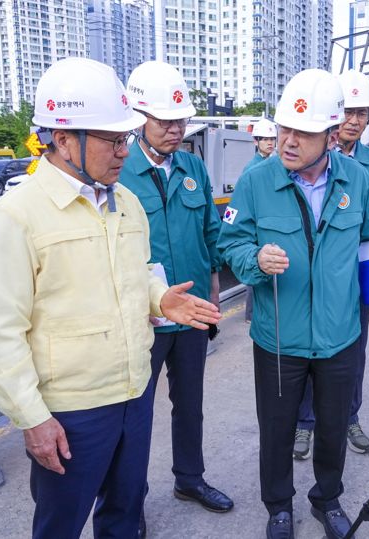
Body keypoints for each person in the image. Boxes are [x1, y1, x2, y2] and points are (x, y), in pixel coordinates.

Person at [0, 57, 221, 539]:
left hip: (132, 393)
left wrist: (159, 298)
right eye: (111, 140)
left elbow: (140, 271)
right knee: (60, 524)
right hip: (68, 412)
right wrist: (32, 419)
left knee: (125, 516)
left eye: (125, 138)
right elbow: (2, 334)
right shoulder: (15, 217)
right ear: (62, 138)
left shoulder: (124, 202)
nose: (123, 152)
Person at [217, 69, 369, 539]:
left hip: (341, 334)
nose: (289, 140)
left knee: (332, 427)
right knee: (278, 430)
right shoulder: (257, 181)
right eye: (284, 128)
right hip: (278, 336)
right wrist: (256, 259)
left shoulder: (358, 180)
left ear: (330, 134)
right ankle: (279, 507)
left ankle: (327, 499)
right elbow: (230, 244)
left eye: (303, 132)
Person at [119, 60, 234, 516]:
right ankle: (130, 503)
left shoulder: (192, 167)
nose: (174, 129)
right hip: (140, 319)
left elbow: (212, 234)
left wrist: (229, 278)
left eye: (181, 120)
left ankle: (190, 480)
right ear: (139, 118)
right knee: (134, 417)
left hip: (190, 315)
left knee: (190, 406)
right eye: (165, 121)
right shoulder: (117, 170)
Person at [293, 69, 369, 460]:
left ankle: (350, 416)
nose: (355, 120)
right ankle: (305, 424)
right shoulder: (311, 154)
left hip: (355, 282)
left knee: (354, 351)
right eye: (349, 111)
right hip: (315, 280)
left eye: (363, 113)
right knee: (307, 350)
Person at [243, 117, 278, 323]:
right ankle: (251, 314)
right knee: (256, 271)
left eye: (272, 139)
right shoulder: (252, 169)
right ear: (256, 141)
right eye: (265, 139)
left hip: (270, 224)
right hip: (258, 227)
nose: (270, 143)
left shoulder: (274, 164)